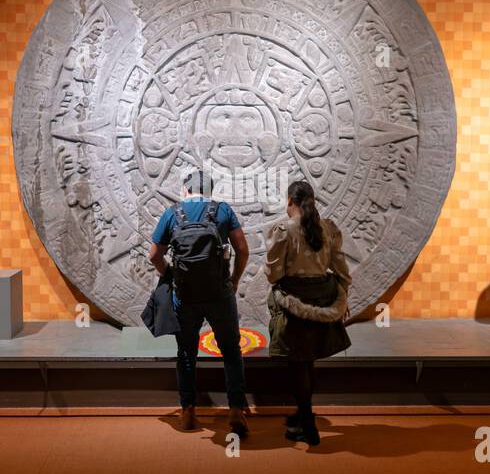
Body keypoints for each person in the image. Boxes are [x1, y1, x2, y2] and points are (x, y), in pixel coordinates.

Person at [148, 168, 251, 437]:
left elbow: (154, 255)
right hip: (220, 294)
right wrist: (235, 280)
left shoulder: (173, 213)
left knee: (186, 354)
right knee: (231, 351)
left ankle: (188, 410)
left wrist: (171, 276)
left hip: (185, 296)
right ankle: (237, 410)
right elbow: (242, 250)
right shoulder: (222, 211)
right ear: (210, 191)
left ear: (186, 190)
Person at [264, 180, 352, 446]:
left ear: (290, 201)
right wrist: (342, 298)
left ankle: (308, 425)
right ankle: (303, 416)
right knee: (308, 362)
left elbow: (273, 275)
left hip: (295, 300)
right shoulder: (328, 229)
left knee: (298, 364)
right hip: (323, 296)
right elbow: (342, 272)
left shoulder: (284, 230)